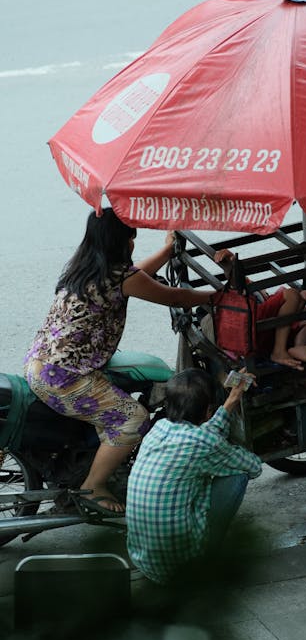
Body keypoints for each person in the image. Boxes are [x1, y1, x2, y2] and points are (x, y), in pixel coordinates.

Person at [24, 209, 215, 516]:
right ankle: (93, 487)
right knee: (133, 420)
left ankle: (104, 460)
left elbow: (136, 276)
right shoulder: (118, 276)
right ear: (121, 242)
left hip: (42, 363)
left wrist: (166, 251)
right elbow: (174, 297)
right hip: (66, 377)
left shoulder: (85, 266)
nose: (132, 243)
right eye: (131, 237)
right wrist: (216, 297)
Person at [126, 368, 262, 585]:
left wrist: (233, 398)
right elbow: (254, 467)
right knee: (238, 475)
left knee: (199, 472)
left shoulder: (159, 428)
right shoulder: (203, 443)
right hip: (180, 567)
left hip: (145, 561)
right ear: (208, 411)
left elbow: (201, 435)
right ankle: (209, 557)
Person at [214, 249, 306, 370]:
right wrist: (229, 266)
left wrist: (300, 297)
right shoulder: (239, 292)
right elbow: (235, 283)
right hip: (252, 329)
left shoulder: (253, 288)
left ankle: (298, 347)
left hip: (268, 332)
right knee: (291, 294)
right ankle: (279, 351)